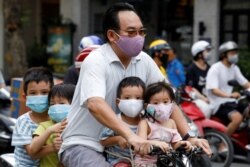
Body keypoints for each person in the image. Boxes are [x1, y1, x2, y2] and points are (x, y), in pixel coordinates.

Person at [59, 3, 211, 167]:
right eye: (131, 32)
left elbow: (168, 100)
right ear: (112, 35)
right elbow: (95, 103)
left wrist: (189, 137)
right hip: (85, 144)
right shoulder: (96, 60)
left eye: (141, 32)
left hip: (127, 149)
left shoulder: (144, 61)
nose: (139, 37)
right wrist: (131, 137)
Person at [135, 81, 192, 166]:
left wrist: (182, 144)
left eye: (165, 102)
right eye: (156, 103)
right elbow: (140, 144)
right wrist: (155, 143)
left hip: (167, 162)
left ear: (172, 103)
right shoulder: (145, 123)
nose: (162, 107)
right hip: (146, 163)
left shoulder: (172, 123)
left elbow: (174, 144)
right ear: (147, 106)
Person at [206, 41, 250, 138]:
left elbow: (246, 84)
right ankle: (223, 144)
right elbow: (214, 90)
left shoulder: (234, 68)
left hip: (231, 102)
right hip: (218, 104)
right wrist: (230, 95)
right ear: (224, 55)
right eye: (232, 53)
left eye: (235, 53)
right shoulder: (215, 68)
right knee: (237, 118)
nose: (235, 55)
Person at [11, 67, 54, 167]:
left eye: (44, 92)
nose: (39, 96)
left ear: (52, 94)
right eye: (33, 93)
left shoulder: (56, 118)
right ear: (25, 97)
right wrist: (53, 147)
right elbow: (32, 153)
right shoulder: (23, 121)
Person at [100, 76, 145, 166]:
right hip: (119, 160)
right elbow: (103, 140)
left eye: (138, 98)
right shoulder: (115, 121)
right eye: (127, 98)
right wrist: (118, 139)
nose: (133, 102)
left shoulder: (146, 121)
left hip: (142, 161)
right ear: (118, 102)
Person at [30, 83, 76, 167]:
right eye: (52, 104)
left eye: (61, 103)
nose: (56, 107)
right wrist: (49, 131)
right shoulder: (45, 126)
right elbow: (32, 150)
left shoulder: (78, 126)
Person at [186, 40, 213, 118]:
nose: (209, 53)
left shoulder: (209, 68)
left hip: (209, 98)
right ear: (199, 54)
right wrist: (203, 98)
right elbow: (191, 88)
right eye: (207, 51)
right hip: (197, 99)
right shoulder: (191, 69)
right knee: (207, 109)